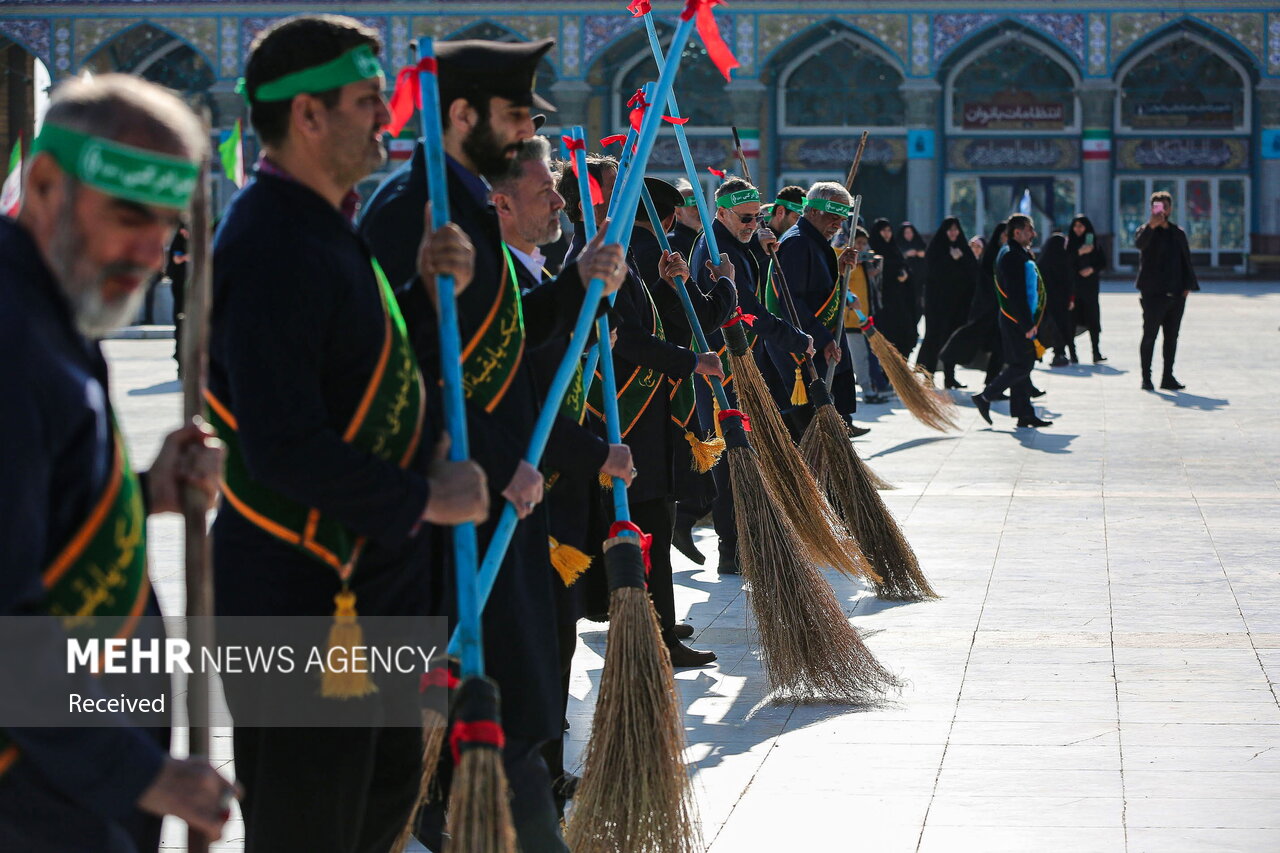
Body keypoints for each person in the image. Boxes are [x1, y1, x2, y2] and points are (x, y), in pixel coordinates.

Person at [208, 16, 492, 852]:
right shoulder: (270, 239)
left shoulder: (325, 225)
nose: (388, 119)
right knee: (314, 824)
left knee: (376, 809)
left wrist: (421, 288)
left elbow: (350, 366)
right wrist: (425, 497)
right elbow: (283, 442)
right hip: (306, 595)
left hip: (368, 590)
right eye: (369, 102)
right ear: (307, 116)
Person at [359, 36, 629, 851]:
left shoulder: (469, 210)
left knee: (508, 711)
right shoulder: (412, 215)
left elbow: (500, 344)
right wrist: (482, 461)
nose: (525, 132)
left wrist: (579, 282)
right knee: (472, 716)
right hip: (449, 514)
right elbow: (403, 375)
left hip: (495, 499)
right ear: (463, 115)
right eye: (516, 117)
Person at [0, 72, 237, 851]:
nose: (150, 247)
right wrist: (142, 773)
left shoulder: (55, 301)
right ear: (41, 183)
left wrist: (145, 492)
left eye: (166, 222)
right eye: (128, 213)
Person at [490, 136, 634, 815]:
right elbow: (525, 396)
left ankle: (541, 767)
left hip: (553, 501)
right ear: (500, 201)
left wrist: (598, 293)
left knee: (552, 642)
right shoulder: (500, 281)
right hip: (521, 495)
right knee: (531, 649)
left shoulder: (532, 273)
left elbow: (563, 344)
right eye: (545, 186)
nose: (558, 198)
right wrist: (597, 452)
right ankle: (528, 777)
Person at [584, 165, 732, 666]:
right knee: (648, 520)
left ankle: (659, 625)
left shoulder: (623, 255)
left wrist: (673, 283)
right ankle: (657, 636)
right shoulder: (603, 258)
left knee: (653, 519)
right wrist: (692, 359)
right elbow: (627, 338)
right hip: (631, 415)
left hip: (644, 415)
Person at [687, 177, 812, 576]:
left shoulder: (734, 243)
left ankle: (711, 527)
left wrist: (759, 250)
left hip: (739, 365)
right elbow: (748, 309)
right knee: (731, 458)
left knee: (741, 454)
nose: (751, 224)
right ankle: (732, 548)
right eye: (744, 218)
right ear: (720, 212)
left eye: (756, 218)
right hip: (719, 368)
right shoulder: (715, 247)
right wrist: (795, 338)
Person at [768, 181, 861, 437]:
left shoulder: (815, 241)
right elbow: (790, 302)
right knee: (809, 432)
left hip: (819, 344)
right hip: (803, 350)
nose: (838, 225)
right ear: (812, 211)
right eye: (833, 216)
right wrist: (822, 339)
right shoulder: (797, 243)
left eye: (842, 219)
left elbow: (820, 292)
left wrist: (840, 272)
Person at [972, 215, 1053, 429]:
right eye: (1029, 230)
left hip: (1013, 318)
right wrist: (1028, 325)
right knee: (1022, 364)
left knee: (1022, 364)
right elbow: (1017, 295)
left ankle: (1024, 413)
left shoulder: (1015, 252)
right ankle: (986, 396)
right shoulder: (1011, 256)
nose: (1033, 234)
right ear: (1017, 232)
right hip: (1015, 319)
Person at [1134, 191, 1199, 391]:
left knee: (1171, 337)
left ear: (1170, 209)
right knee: (1150, 335)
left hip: (1176, 293)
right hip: (1153, 294)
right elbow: (1139, 244)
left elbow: (1186, 261)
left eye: (1163, 206)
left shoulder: (1177, 233)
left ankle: (1167, 377)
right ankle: (1146, 378)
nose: (1160, 210)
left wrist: (1188, 286)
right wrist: (1151, 226)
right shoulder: (1145, 231)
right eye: (1156, 206)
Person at [917, 216, 978, 388]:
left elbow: (973, 272)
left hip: (957, 305)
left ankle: (950, 378)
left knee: (951, 341)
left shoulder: (963, 249)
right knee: (934, 339)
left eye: (956, 230)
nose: (953, 233)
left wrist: (960, 259)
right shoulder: (936, 248)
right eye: (950, 230)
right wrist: (949, 260)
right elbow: (932, 274)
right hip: (937, 306)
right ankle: (929, 377)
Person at [844, 225, 891, 404]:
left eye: (864, 244)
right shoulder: (846, 259)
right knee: (859, 357)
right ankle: (868, 391)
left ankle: (868, 388)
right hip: (851, 318)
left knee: (861, 356)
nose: (862, 247)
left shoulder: (861, 262)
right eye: (859, 243)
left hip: (863, 316)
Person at [868, 217, 917, 360]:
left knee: (904, 334)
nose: (887, 234)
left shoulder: (895, 249)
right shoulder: (873, 251)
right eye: (883, 230)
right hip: (883, 302)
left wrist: (905, 275)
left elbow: (905, 268)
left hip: (900, 300)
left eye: (889, 230)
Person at [1067, 214, 1107, 363]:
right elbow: (1065, 262)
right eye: (1075, 226)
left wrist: (1092, 269)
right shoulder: (1069, 244)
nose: (1078, 229)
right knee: (1072, 320)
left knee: (1093, 320)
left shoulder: (1093, 243)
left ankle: (1096, 352)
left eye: (1081, 226)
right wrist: (1079, 252)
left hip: (1090, 287)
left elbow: (1102, 261)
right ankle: (1072, 352)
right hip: (1074, 287)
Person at [1038, 229, 1073, 367]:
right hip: (1059, 302)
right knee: (1059, 326)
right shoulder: (1063, 262)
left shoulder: (1042, 263)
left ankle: (1042, 353)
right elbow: (1069, 282)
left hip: (1047, 302)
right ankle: (1059, 353)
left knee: (1048, 327)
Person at [896, 220, 928, 324]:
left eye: (910, 232)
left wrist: (921, 254)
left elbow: (927, 256)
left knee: (918, 305)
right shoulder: (898, 245)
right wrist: (906, 254)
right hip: (904, 281)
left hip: (919, 281)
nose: (909, 235)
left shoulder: (919, 244)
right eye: (906, 232)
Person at [667, 177, 702, 260]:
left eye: (701, 206)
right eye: (694, 206)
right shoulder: (674, 241)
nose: (699, 211)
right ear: (678, 212)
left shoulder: (700, 239)